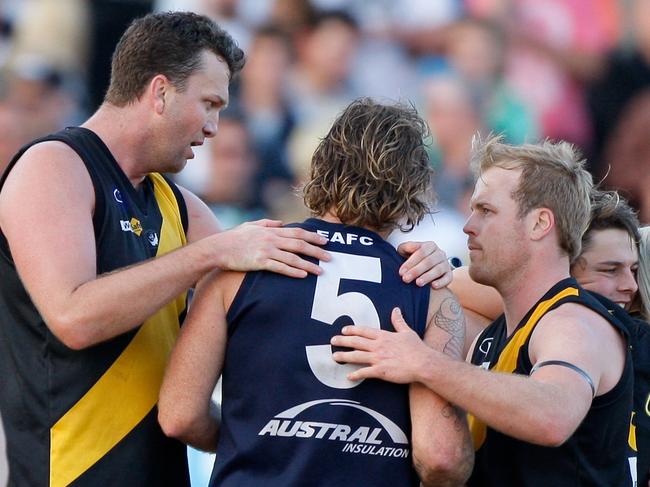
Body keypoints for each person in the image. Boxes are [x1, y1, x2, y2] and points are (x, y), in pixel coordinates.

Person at [0, 12, 452, 487]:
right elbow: (73, 318)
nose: (214, 126)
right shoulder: (54, 165)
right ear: (159, 93)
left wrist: (435, 268)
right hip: (63, 473)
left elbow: (299, 285)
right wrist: (211, 253)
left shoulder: (180, 208)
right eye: (209, 102)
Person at [158, 98, 474, 486]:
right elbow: (441, 458)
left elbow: (179, 415)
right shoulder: (430, 293)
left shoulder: (240, 267)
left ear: (321, 167)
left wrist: (255, 435)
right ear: (413, 188)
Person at [332, 136, 634, 485]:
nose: (468, 225)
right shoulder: (493, 334)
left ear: (540, 224)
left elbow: (553, 416)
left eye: (486, 211)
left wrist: (424, 364)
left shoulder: (573, 323)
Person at [453, 189, 649, 485]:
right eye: (609, 270)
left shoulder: (635, 338)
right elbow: (451, 287)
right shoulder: (501, 331)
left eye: (635, 270)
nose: (630, 286)